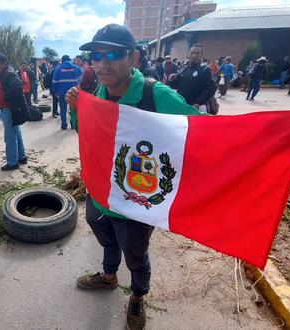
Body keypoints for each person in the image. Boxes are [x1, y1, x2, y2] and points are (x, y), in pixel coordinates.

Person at [65, 23, 200, 330]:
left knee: (135, 254)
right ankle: (109, 275)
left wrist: (270, 135)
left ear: (134, 58)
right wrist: (76, 110)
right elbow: (84, 133)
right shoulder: (98, 93)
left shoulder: (156, 94)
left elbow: (201, 130)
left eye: (113, 54)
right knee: (104, 234)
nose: (103, 63)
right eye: (96, 56)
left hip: (137, 200)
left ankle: (138, 295)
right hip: (101, 193)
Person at [0, 52, 27, 171]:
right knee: (16, 134)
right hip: (7, 109)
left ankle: (12, 163)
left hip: (9, 109)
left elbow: (17, 86)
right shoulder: (3, 73)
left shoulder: (8, 73)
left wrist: (4, 97)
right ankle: (21, 157)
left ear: (4, 64)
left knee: (10, 137)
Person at [167, 43, 216, 111]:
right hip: (182, 104)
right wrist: (171, 80)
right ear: (188, 54)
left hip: (195, 107)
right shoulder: (183, 68)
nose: (194, 55)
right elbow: (176, 85)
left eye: (197, 53)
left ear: (201, 55)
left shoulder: (204, 69)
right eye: (192, 52)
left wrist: (199, 103)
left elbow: (211, 88)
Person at [51, 55, 82, 129]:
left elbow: (54, 82)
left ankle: (64, 125)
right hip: (73, 92)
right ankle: (73, 124)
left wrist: (55, 91)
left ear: (62, 60)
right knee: (73, 108)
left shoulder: (58, 69)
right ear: (69, 60)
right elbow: (80, 74)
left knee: (63, 109)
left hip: (61, 92)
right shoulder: (75, 68)